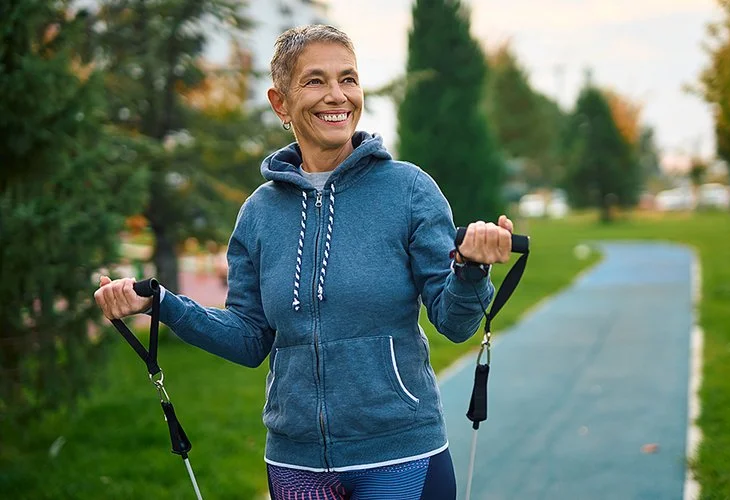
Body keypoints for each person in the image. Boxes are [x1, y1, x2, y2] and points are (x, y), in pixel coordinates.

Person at [94, 24, 513, 500]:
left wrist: (472, 270)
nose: (337, 95)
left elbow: (455, 323)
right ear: (280, 103)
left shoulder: (410, 190)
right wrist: (162, 304)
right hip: (295, 463)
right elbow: (251, 338)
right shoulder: (258, 213)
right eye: (316, 81)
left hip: (398, 455)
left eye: (348, 79)